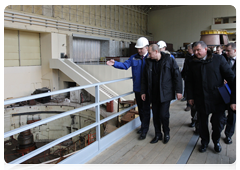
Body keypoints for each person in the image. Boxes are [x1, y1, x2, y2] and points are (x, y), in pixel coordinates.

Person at [186, 41, 235, 153]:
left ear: (205, 49)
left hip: (217, 99)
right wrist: (190, 97)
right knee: (202, 124)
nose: (196, 53)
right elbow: (189, 81)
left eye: (198, 50)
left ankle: (216, 141)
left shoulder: (218, 59)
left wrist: (235, 97)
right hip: (200, 98)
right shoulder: (192, 63)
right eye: (194, 51)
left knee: (218, 124)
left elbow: (230, 77)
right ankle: (204, 142)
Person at [106, 37, 151, 140]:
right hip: (137, 88)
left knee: (146, 110)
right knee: (140, 109)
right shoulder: (133, 57)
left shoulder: (150, 57)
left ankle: (144, 130)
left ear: (147, 48)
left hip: (147, 90)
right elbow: (125, 65)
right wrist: (115, 63)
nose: (139, 50)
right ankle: (143, 126)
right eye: (138, 48)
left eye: (141, 48)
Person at [141, 44, 182, 144]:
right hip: (153, 93)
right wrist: (143, 91)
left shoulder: (169, 60)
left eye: (150, 53)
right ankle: (158, 134)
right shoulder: (149, 62)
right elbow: (144, 78)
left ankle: (166, 132)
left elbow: (177, 75)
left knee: (163, 115)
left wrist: (179, 91)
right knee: (155, 116)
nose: (148, 55)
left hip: (165, 93)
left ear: (156, 52)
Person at [223, 42, 238, 144]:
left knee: (232, 115)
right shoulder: (222, 59)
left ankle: (228, 134)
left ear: (235, 51)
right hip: (222, 91)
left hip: (234, 91)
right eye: (225, 51)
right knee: (220, 113)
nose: (226, 53)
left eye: (228, 51)